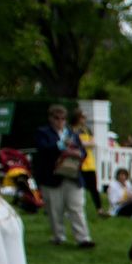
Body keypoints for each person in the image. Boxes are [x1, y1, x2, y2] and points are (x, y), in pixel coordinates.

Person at [38, 105, 94, 248]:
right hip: (52, 177)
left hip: (72, 175)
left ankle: (83, 238)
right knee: (55, 210)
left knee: (77, 207)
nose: (60, 121)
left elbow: (83, 151)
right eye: (57, 118)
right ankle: (58, 236)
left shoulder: (71, 132)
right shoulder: (43, 132)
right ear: (51, 119)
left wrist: (78, 153)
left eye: (63, 118)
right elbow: (43, 150)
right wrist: (61, 145)